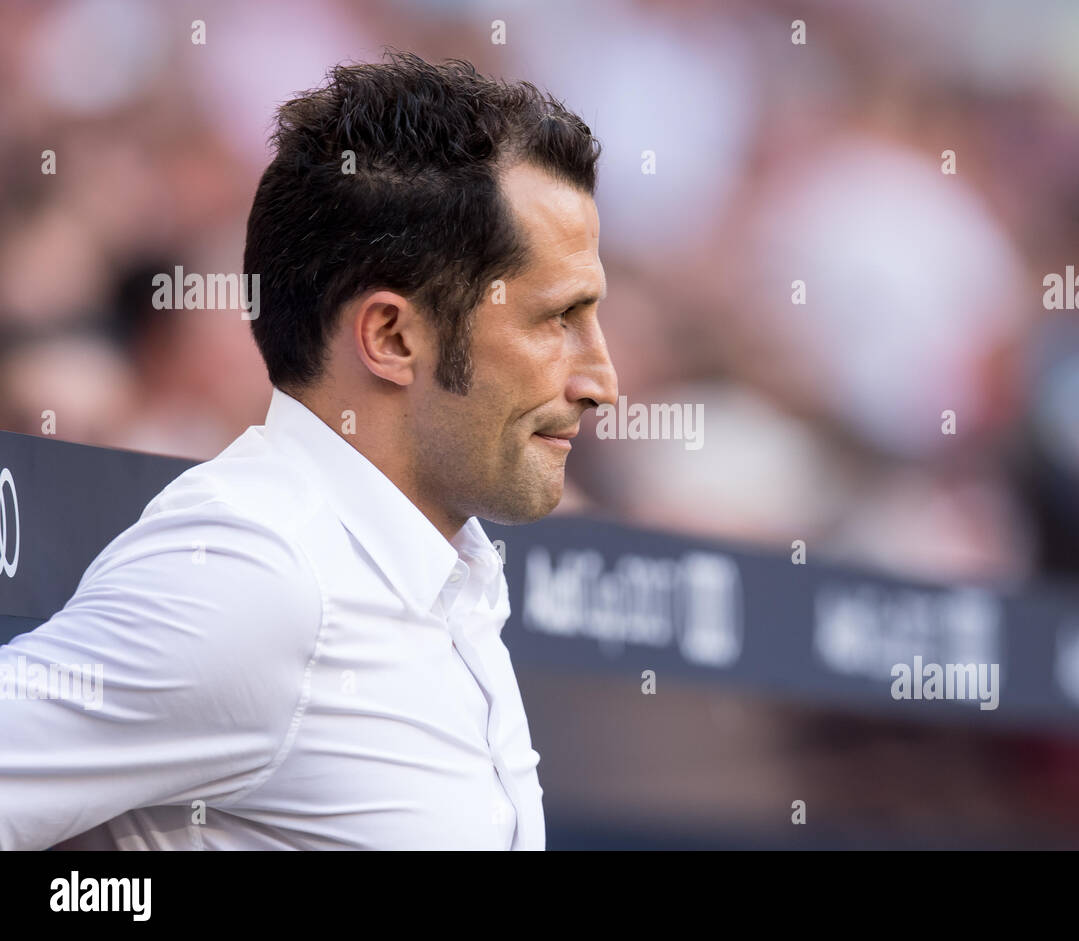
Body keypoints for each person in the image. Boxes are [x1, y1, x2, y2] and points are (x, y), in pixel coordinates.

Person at [0, 52, 617, 850]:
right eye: (555, 318)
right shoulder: (254, 568)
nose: (602, 380)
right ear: (392, 336)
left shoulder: (447, 572)